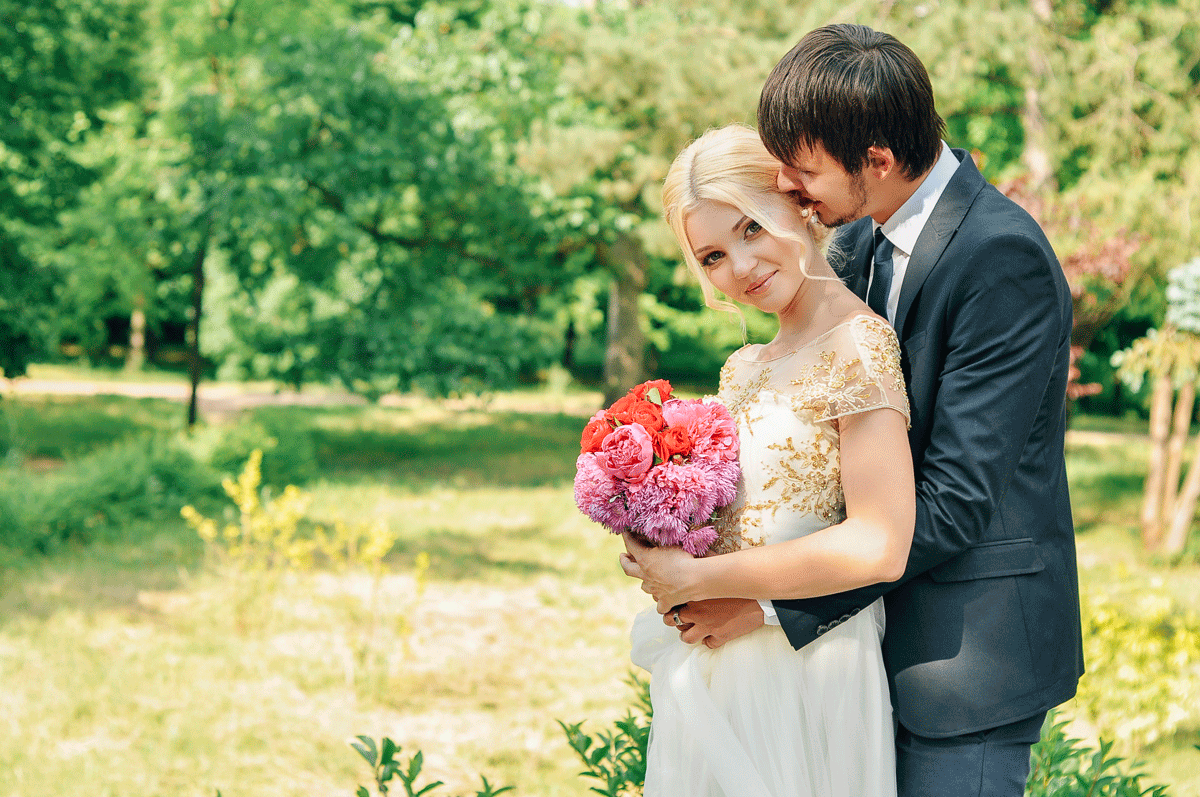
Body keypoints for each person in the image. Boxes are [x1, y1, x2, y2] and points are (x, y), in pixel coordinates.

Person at [629, 23, 1085, 797]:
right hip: (849, 656)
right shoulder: (852, 246)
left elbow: (954, 498)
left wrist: (767, 602)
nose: (787, 187)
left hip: (963, 657)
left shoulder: (1000, 257)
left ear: (875, 160)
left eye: (802, 170)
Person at [619, 122, 914, 796]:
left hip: (810, 669)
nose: (740, 268)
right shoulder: (742, 366)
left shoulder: (859, 343)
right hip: (721, 667)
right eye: (714, 255)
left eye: (750, 228)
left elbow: (880, 542)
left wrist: (701, 580)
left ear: (797, 201)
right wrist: (657, 539)